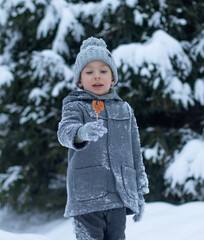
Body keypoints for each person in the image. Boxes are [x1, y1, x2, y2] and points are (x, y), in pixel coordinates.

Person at [57, 37, 149, 240]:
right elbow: (64, 132)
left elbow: (135, 152)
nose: (97, 77)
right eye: (89, 72)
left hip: (119, 195)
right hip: (87, 195)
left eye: (103, 71)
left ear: (113, 78)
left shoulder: (125, 109)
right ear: (80, 80)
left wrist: (140, 194)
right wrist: (81, 132)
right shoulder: (75, 106)